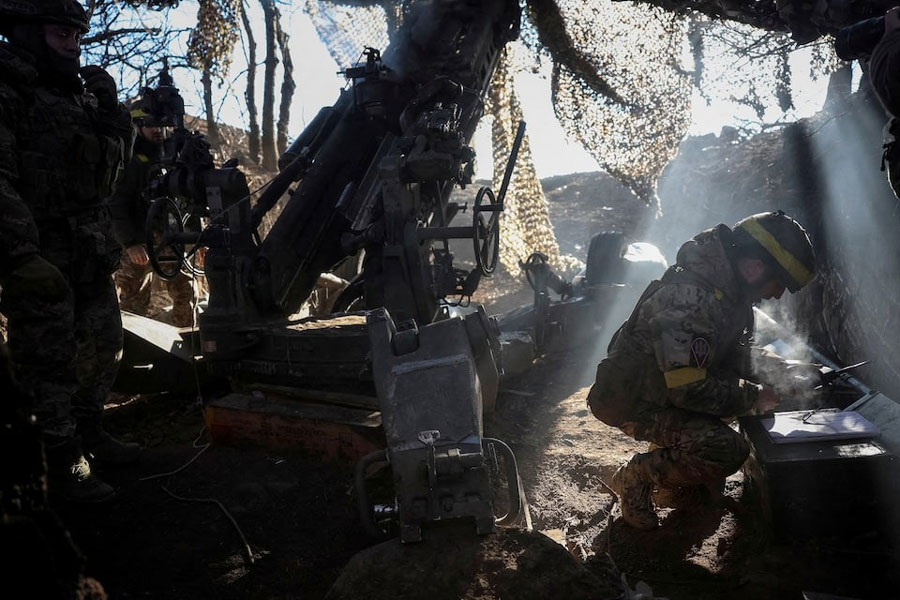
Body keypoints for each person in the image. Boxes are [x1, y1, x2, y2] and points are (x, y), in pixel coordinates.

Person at [587, 211, 816, 530]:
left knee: (726, 410)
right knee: (725, 450)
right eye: (779, 285)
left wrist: (780, 368)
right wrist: (753, 396)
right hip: (630, 401)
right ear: (755, 268)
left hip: (659, 389)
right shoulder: (692, 299)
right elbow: (688, 389)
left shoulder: (725, 290)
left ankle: (670, 466)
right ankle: (636, 476)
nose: (776, 295)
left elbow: (729, 354)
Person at [0, 0, 141, 503]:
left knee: (106, 346)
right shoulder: (8, 90)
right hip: (39, 254)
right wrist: (19, 253)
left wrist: (111, 111)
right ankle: (58, 465)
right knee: (48, 363)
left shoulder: (71, 94)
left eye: (78, 36)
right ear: (26, 32)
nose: (74, 46)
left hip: (87, 248)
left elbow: (108, 171)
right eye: (63, 35)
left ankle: (90, 435)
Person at [108, 98, 194, 327]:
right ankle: (135, 352)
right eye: (150, 124)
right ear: (137, 126)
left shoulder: (171, 157)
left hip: (169, 239)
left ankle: (184, 344)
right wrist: (129, 243)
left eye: (161, 124)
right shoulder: (128, 160)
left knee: (186, 293)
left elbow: (187, 203)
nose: (157, 130)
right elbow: (116, 204)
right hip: (138, 242)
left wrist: (198, 239)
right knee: (133, 304)